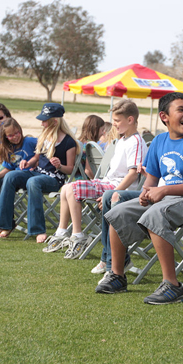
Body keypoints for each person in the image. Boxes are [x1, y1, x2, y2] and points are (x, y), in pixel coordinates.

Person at [95, 92, 183, 305]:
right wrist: (146, 194)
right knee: (116, 212)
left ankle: (172, 285)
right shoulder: (160, 141)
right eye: (181, 110)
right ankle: (117, 275)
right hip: (169, 200)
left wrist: (162, 192)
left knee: (156, 213)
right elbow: (150, 181)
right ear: (164, 117)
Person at [44, 100, 148, 259]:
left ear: (130, 119)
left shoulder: (136, 142)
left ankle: (78, 236)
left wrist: (114, 192)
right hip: (108, 184)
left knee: (72, 189)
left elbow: (133, 173)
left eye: (117, 121)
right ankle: (62, 231)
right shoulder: (123, 140)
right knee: (66, 187)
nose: (114, 125)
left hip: (117, 188)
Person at [0, 103, 79, 243]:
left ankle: (38, 229)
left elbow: (70, 169)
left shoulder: (69, 142)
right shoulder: (44, 137)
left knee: (33, 182)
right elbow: (37, 157)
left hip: (54, 179)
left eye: (44, 121)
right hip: (37, 173)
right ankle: (5, 224)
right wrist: (28, 163)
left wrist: (60, 166)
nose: (42, 124)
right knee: (10, 176)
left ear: (54, 121)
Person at [0, 119, 37, 232]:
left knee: (9, 180)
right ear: (5, 137)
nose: (15, 137)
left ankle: (6, 224)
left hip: (29, 176)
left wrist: (34, 163)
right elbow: (9, 168)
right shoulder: (9, 149)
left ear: (20, 130)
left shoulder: (30, 141)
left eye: (17, 133)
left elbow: (43, 151)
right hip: (12, 177)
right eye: (11, 135)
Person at [78, 114, 106, 179]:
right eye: (102, 130)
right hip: (87, 181)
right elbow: (88, 171)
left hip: (78, 179)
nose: (103, 133)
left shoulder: (79, 143)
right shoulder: (90, 146)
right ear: (96, 129)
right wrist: (99, 182)